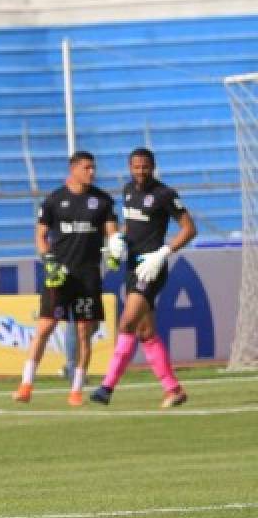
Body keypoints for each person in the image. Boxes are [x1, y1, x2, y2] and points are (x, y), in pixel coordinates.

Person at [91, 148, 196, 408]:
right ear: (130, 168)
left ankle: (107, 387)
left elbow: (190, 229)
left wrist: (163, 253)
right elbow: (132, 226)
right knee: (145, 332)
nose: (140, 171)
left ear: (153, 166)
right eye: (136, 167)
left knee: (126, 322)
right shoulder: (128, 191)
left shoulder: (165, 195)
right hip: (132, 267)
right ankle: (173, 389)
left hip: (151, 267)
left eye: (145, 167)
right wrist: (118, 241)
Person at [13, 151, 119, 407]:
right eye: (87, 168)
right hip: (60, 276)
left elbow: (113, 234)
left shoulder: (102, 201)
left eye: (93, 168)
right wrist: (49, 261)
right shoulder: (54, 200)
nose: (92, 172)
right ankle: (26, 385)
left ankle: (76, 389)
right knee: (45, 328)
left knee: (84, 332)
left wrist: (116, 249)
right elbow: (40, 236)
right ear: (73, 168)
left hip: (88, 276)